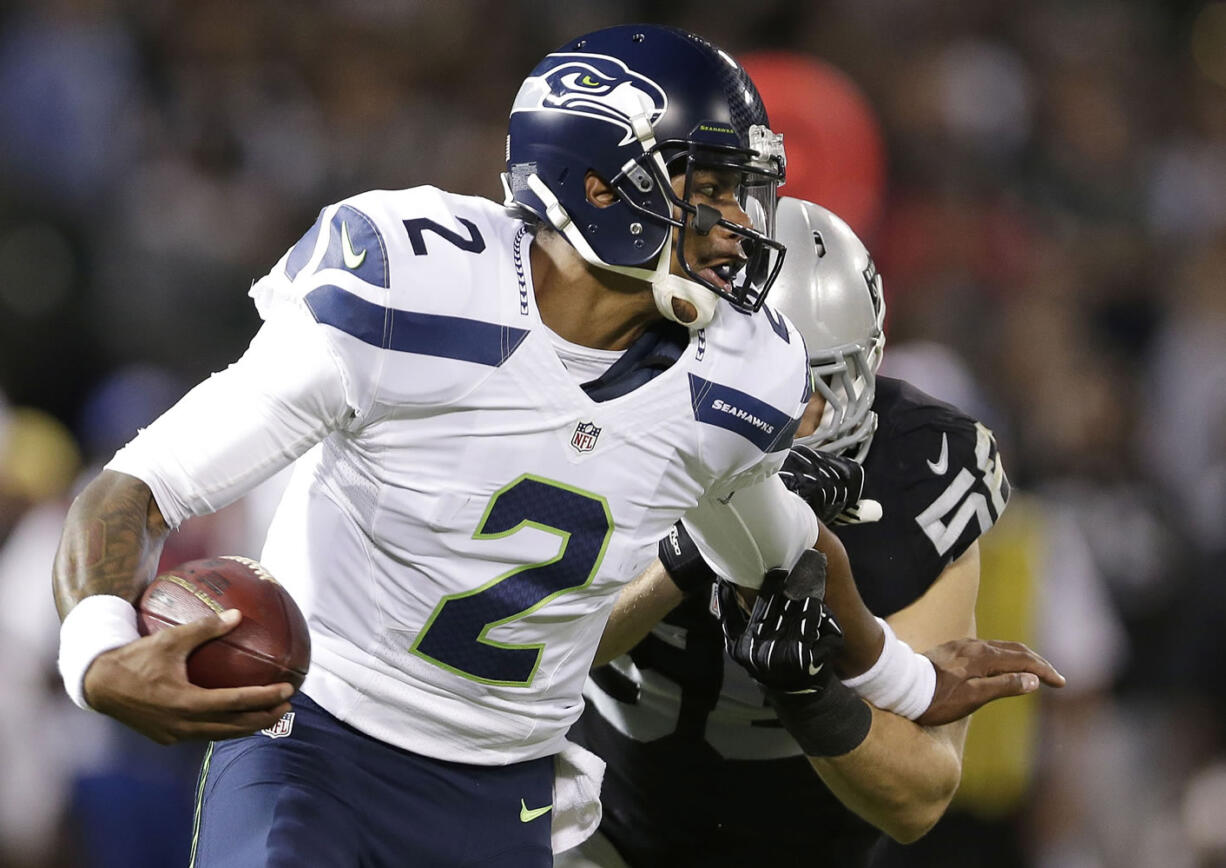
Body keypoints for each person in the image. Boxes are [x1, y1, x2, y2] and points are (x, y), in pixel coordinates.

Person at [49, 25, 855, 867]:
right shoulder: (409, 284)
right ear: (601, 188)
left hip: (502, 792)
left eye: (743, 191)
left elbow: (768, 541)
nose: (736, 223)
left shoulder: (745, 365)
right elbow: (142, 484)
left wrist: (900, 677)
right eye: (711, 188)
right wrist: (97, 649)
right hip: (316, 743)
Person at [563, 198, 1061, 867]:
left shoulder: (917, 469)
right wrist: (697, 549)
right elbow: (526, 659)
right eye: (758, 384)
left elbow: (921, 796)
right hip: (597, 837)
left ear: (865, 370)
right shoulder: (607, 418)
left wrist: (813, 699)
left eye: (814, 384)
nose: (789, 418)